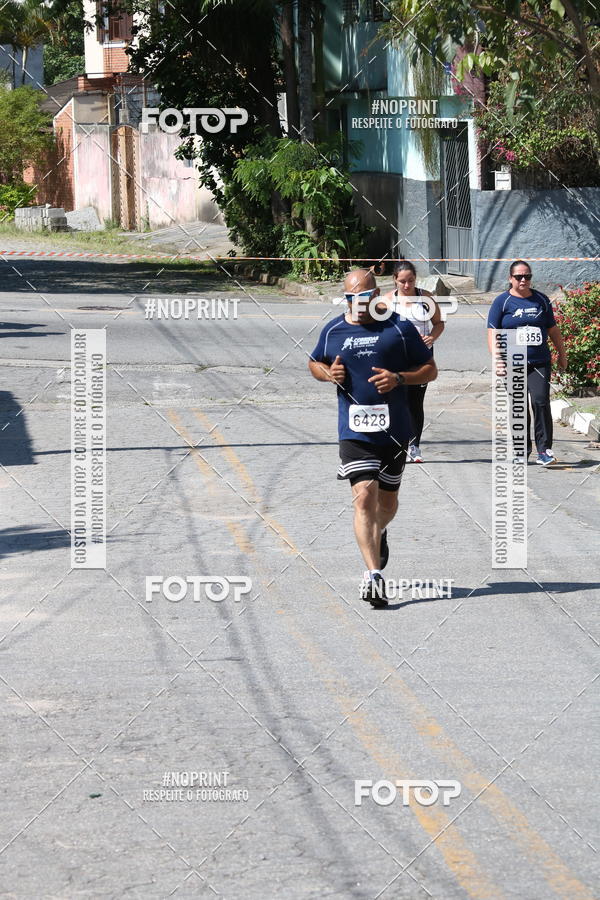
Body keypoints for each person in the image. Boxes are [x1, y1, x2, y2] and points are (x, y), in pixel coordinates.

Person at [308, 268, 437, 607]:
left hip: (394, 431)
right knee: (364, 500)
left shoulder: (397, 327)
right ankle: (373, 576)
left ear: (376, 294)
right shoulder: (334, 330)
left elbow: (430, 369)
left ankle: (378, 532)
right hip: (353, 432)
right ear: (345, 297)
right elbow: (314, 363)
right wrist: (327, 373)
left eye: (364, 298)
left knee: (387, 504)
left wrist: (398, 378)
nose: (358, 305)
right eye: (351, 299)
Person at [487, 260, 567, 466]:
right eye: (519, 277)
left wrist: (562, 353)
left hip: (539, 361)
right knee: (519, 406)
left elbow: (552, 329)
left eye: (527, 276)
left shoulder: (541, 300)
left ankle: (544, 450)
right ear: (510, 279)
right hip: (512, 362)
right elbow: (492, 333)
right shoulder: (502, 302)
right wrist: (498, 361)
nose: (523, 280)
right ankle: (521, 451)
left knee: (540, 402)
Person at [382, 260, 445, 462]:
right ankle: (394, 443)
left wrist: (432, 337)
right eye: (402, 281)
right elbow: (378, 329)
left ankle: (414, 446)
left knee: (415, 403)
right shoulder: (386, 301)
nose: (407, 285)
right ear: (394, 280)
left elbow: (438, 323)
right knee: (395, 401)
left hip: (420, 358)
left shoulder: (425, 298)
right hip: (396, 358)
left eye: (411, 280)